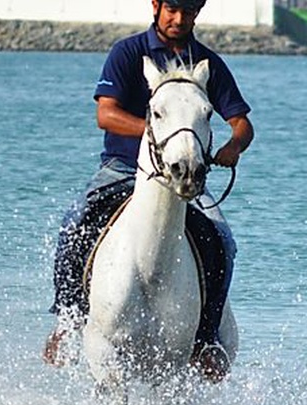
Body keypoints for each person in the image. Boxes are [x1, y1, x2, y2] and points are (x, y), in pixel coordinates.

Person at [44, 0, 254, 381]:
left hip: (184, 175)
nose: (178, 19)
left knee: (222, 237)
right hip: (123, 168)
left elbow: (241, 123)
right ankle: (67, 319)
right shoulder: (127, 52)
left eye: (188, 12)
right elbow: (105, 114)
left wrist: (232, 147)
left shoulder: (208, 63)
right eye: (172, 9)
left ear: (198, 12)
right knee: (75, 222)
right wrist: (163, 134)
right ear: (156, 6)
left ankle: (205, 337)